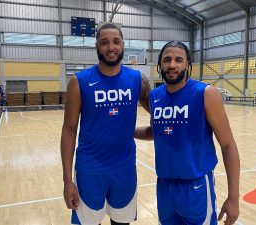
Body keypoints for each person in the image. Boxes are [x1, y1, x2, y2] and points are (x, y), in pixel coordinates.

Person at [135, 41, 240, 225]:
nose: (172, 65)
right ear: (160, 66)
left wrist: (233, 197)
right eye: (167, 60)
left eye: (178, 60)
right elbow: (156, 132)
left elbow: (228, 145)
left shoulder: (206, 93)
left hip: (196, 187)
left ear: (187, 65)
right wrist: (126, 130)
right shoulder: (155, 97)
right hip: (165, 187)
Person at [61, 22, 150, 225]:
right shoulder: (79, 81)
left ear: (123, 45)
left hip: (125, 169)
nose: (111, 47)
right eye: (104, 42)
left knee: (122, 223)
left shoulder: (137, 80)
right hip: (89, 170)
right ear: (97, 46)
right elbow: (69, 130)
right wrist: (67, 180)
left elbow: (162, 116)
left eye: (116, 42)